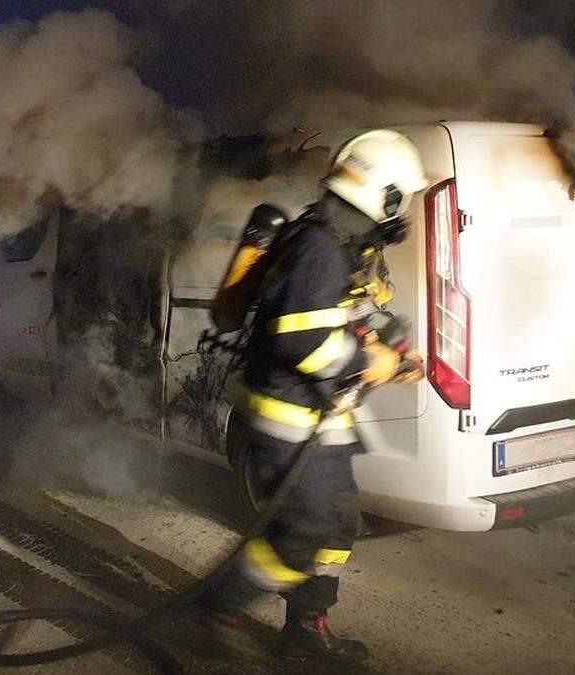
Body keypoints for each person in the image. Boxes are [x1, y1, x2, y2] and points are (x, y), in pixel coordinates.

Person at [204, 130, 429, 664]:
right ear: (387, 193)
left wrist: (384, 348)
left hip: (320, 411)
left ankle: (306, 629)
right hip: (288, 414)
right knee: (302, 531)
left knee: (338, 521)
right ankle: (217, 607)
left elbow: (341, 315)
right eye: (406, 197)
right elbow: (299, 337)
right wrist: (367, 362)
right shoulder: (322, 244)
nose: (407, 210)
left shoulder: (348, 239)